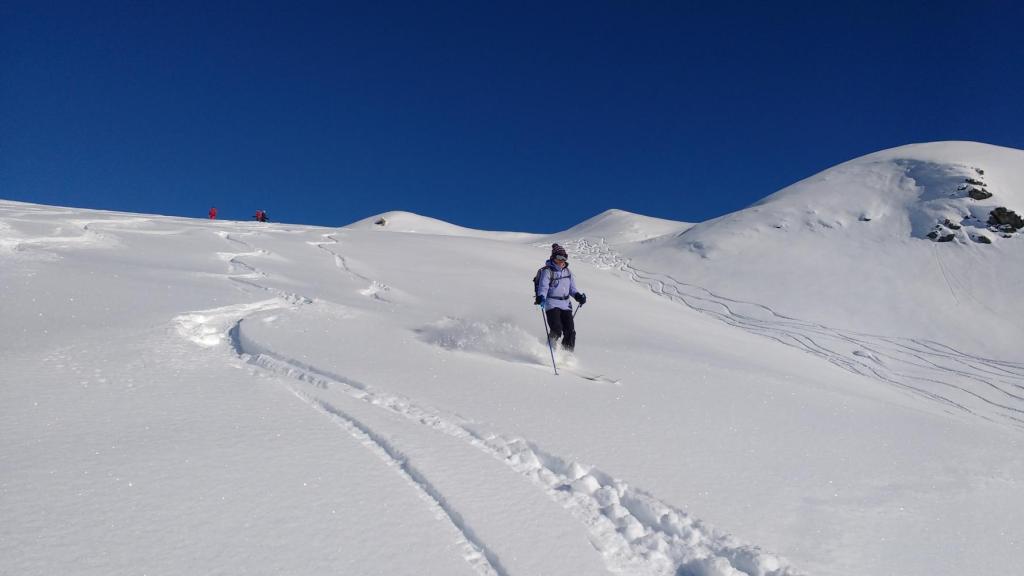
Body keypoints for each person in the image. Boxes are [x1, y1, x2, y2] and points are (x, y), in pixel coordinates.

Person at [535, 243, 587, 351]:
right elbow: (543, 287)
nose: (562, 260)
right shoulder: (547, 271)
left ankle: (567, 355)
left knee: (570, 331)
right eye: (559, 257)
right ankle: (549, 351)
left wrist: (578, 296)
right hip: (551, 304)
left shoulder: (568, 272)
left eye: (564, 257)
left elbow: (572, 289)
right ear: (553, 257)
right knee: (556, 329)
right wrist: (541, 297)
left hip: (565, 305)